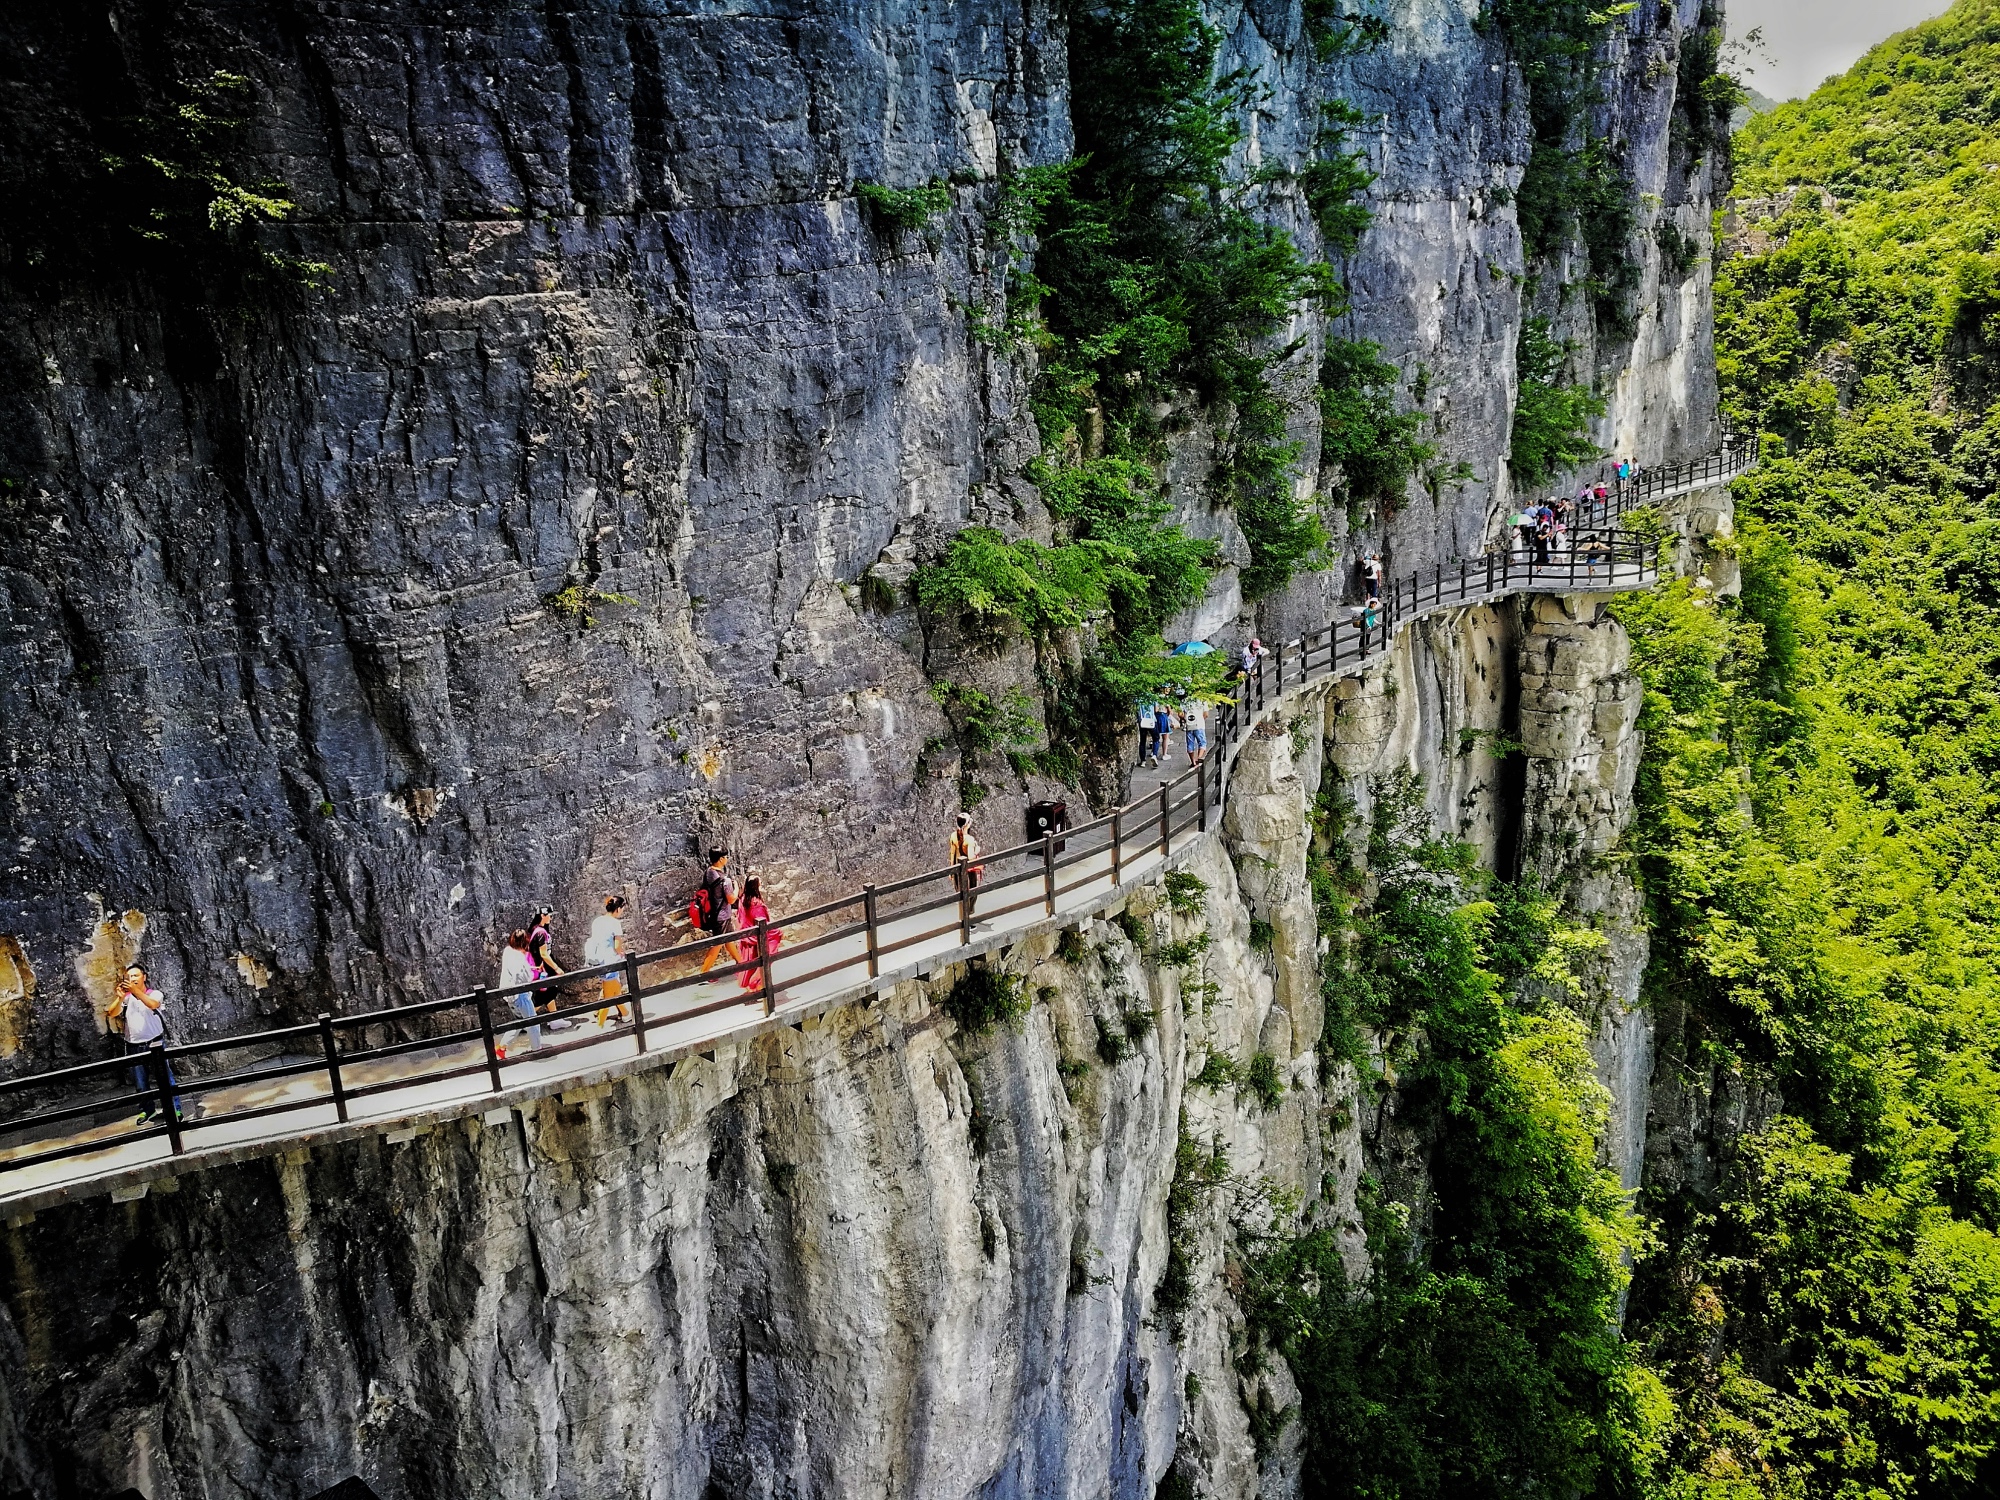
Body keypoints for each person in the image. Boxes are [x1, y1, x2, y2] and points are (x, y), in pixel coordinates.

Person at [107, 964, 176, 1122]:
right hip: (134, 1045)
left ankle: (174, 1108)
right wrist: (119, 997)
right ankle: (147, 1110)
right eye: (129, 977)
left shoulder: (155, 994)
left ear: (144, 977)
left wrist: (135, 991)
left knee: (165, 1078)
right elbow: (111, 1013)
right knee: (140, 1082)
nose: (132, 980)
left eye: (135, 976)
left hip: (155, 1043)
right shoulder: (127, 998)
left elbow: (152, 1004)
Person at [585, 893, 631, 1026]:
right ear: (618, 908)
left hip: (598, 960)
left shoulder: (598, 921)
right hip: (610, 962)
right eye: (622, 908)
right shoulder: (615, 923)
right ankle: (601, 1021)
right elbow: (617, 947)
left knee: (612, 987)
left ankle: (624, 1013)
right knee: (611, 993)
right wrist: (622, 953)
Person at [526, 907, 573, 1030]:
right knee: (544, 995)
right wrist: (557, 968)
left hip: (541, 968)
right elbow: (544, 954)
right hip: (544, 969)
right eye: (549, 915)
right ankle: (525, 1022)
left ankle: (554, 1020)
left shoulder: (534, 930)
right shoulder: (540, 932)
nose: (551, 918)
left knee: (549, 993)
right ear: (543, 915)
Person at [734, 876, 782, 992]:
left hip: (746, 935)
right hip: (756, 936)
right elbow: (763, 921)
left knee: (752, 963)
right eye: (760, 883)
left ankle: (755, 986)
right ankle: (757, 985)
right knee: (767, 955)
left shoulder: (743, 899)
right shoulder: (756, 903)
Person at [496, 930, 540, 1058]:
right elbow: (523, 976)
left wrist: (529, 968)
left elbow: (513, 971)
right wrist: (533, 973)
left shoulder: (508, 951)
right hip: (520, 995)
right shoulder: (519, 957)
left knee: (519, 1022)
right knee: (533, 1023)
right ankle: (537, 1049)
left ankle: (502, 1047)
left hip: (509, 995)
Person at [697, 848, 739, 974]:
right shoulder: (724, 880)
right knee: (717, 944)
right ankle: (703, 973)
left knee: (729, 939)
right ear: (721, 859)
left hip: (714, 913)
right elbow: (731, 899)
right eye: (726, 857)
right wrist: (736, 887)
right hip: (722, 916)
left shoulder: (709, 873)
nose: (727, 859)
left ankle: (741, 963)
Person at [948, 812, 984, 915]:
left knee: (961, 895)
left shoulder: (953, 836)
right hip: (968, 872)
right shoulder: (969, 839)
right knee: (971, 894)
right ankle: (968, 920)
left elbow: (952, 853)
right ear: (967, 824)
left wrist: (951, 870)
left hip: (957, 870)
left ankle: (963, 919)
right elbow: (971, 857)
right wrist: (977, 849)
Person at [1183, 698, 1209, 765]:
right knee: (1202, 743)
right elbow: (1206, 714)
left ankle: (1193, 762)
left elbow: (1180, 714)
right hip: (1199, 725)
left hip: (1189, 725)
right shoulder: (1202, 700)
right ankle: (1199, 759)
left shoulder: (1185, 700)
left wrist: (1185, 719)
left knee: (1190, 744)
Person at [1152, 700, 1174, 768]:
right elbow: (1169, 710)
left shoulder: (1155, 697)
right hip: (1163, 716)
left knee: (1155, 737)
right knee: (1165, 737)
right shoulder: (1165, 698)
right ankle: (1164, 754)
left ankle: (1154, 752)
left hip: (1156, 717)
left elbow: (1155, 710)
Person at [1137, 701, 1159, 768]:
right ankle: (1154, 755)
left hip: (1142, 722)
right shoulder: (1152, 697)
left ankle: (1143, 761)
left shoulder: (1138, 698)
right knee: (1156, 739)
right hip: (1152, 721)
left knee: (1142, 741)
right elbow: (1156, 710)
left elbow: (1136, 710)